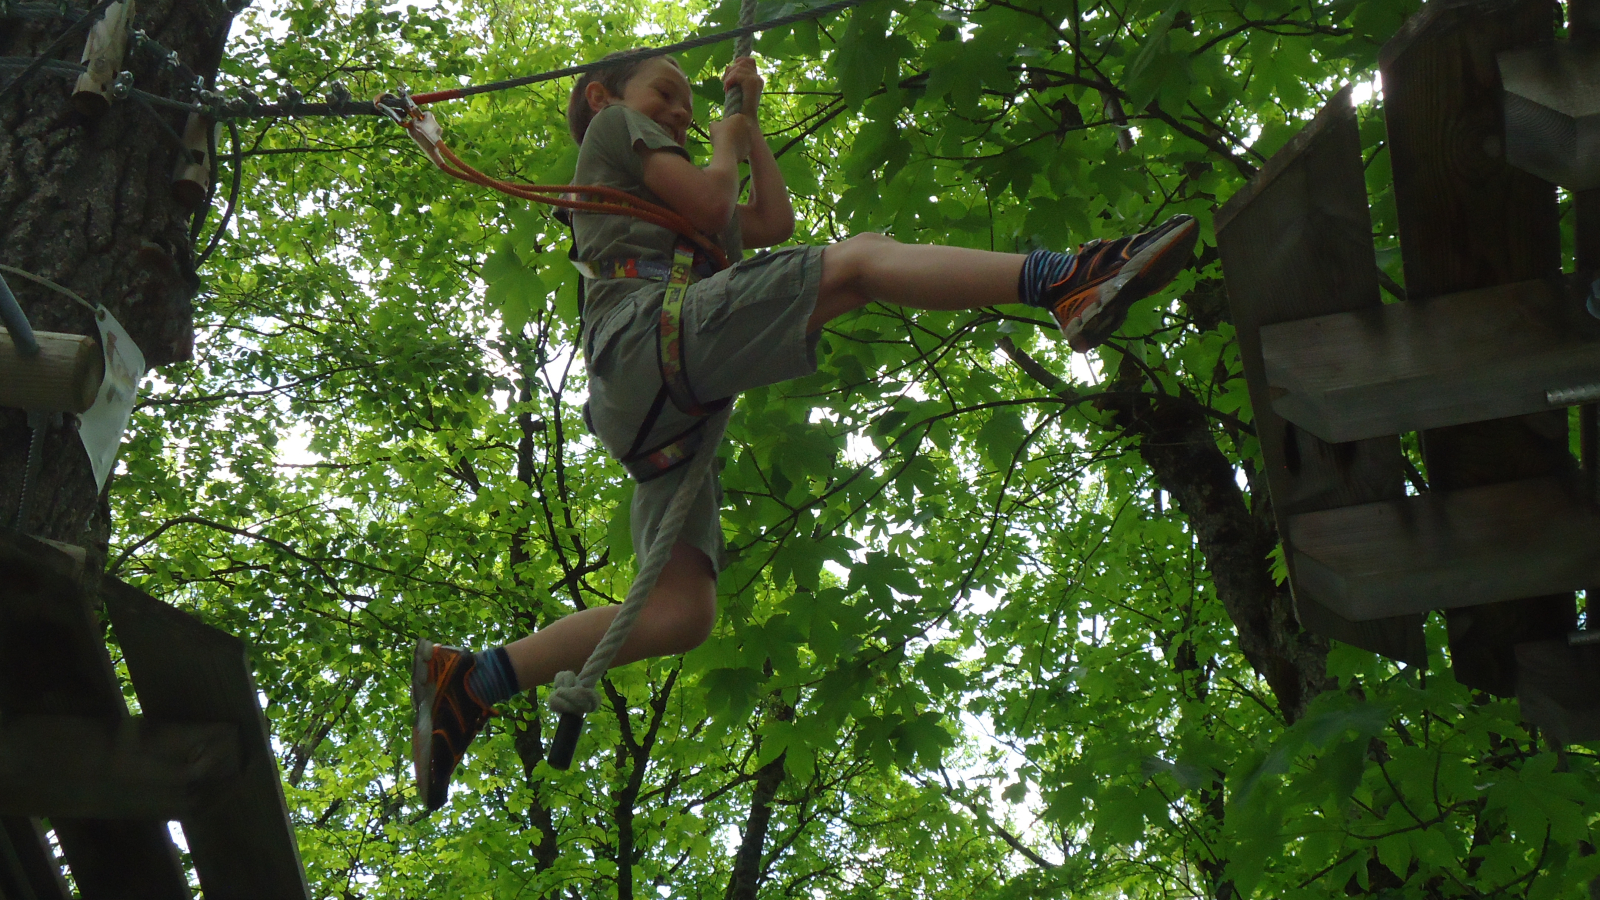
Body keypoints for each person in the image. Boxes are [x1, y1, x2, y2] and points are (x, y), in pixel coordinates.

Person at [410, 51, 1198, 811]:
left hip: (654, 396)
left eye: (688, 103)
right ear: (602, 97)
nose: (680, 112)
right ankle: (1062, 278)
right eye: (666, 94)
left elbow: (767, 219)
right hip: (645, 339)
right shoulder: (615, 132)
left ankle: (474, 681)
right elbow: (719, 207)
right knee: (859, 263)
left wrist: (744, 123)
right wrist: (723, 141)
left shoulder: (667, 177)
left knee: (683, 613)